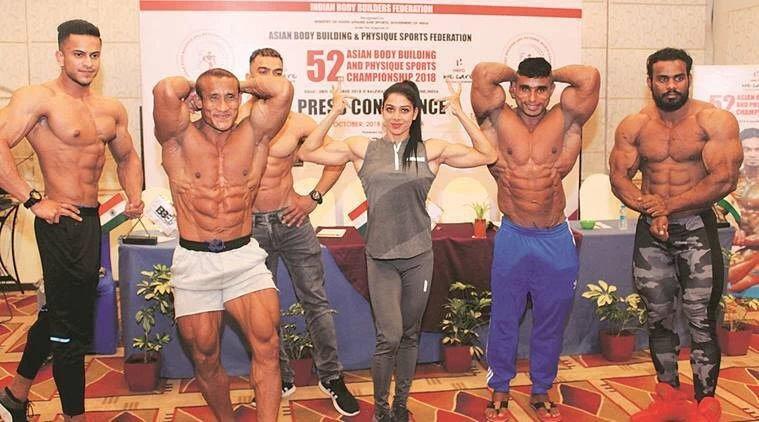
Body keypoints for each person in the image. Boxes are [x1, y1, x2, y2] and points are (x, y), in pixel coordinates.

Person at [298, 79, 496, 422]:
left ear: (415, 113)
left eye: (404, 110)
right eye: (390, 109)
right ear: (381, 111)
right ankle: (381, 410)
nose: (397, 117)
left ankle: (400, 406)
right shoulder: (362, 148)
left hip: (419, 258)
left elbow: (488, 154)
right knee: (388, 337)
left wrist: (460, 112)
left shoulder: (430, 150)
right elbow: (307, 152)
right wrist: (334, 112)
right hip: (380, 258)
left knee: (408, 335)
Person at [0, 19, 144, 421]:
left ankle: (14, 395)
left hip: (90, 223)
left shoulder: (109, 109)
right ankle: (73, 417)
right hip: (58, 221)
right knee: (70, 332)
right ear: (60, 55)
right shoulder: (39, 99)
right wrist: (32, 200)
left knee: (60, 314)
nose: (88, 63)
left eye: (94, 55)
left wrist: (134, 193)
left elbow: (127, 156)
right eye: (78, 54)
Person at [152, 68, 293, 422]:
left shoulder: (255, 134)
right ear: (197, 100)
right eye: (213, 98)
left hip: (243, 258)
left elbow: (282, 89)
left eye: (231, 97)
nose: (223, 106)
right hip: (194, 259)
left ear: (241, 98)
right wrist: (200, 86)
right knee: (204, 355)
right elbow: (166, 89)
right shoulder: (178, 137)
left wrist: (234, 83)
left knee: (268, 345)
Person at [609, 48, 742, 420]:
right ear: (649, 81)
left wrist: (667, 206)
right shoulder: (635, 125)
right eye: (663, 78)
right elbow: (619, 177)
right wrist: (649, 207)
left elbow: (724, 179)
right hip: (651, 231)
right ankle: (667, 393)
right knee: (658, 316)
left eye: (678, 78)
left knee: (700, 316)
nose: (671, 86)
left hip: (696, 227)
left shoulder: (713, 121)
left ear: (689, 79)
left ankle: (705, 401)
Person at [471, 57, 600, 421]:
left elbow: (589, 76)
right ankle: (500, 386)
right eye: (524, 88)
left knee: (551, 318)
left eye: (541, 88)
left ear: (551, 90)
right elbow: (483, 73)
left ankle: (542, 386)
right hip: (514, 234)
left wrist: (547, 72)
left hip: (554, 237)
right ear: (512, 89)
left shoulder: (567, 118)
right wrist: (520, 73)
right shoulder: (496, 117)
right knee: (505, 317)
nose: (532, 97)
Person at [239, 48, 359, 416]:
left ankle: (331, 376)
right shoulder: (233, 120)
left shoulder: (298, 123)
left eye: (277, 72)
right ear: (249, 76)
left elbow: (340, 158)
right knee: (261, 308)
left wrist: (313, 198)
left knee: (316, 301)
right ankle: (278, 376)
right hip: (249, 227)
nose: (270, 79)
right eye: (263, 71)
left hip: (292, 220)